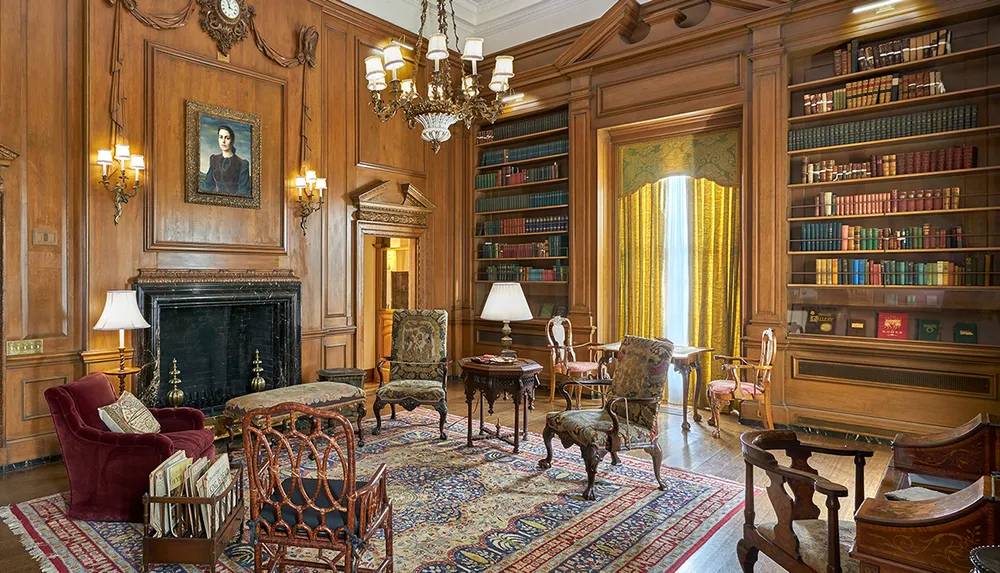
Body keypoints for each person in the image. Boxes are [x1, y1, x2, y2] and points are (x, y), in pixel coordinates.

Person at [200, 125, 251, 196]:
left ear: (232, 140)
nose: (223, 141)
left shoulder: (242, 163)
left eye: (227, 138)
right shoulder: (214, 159)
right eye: (221, 137)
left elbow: (243, 190)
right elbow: (208, 184)